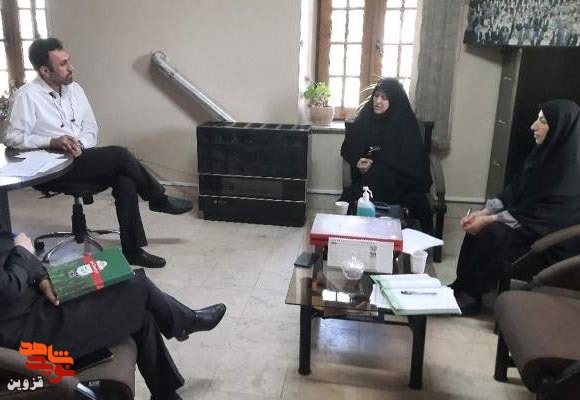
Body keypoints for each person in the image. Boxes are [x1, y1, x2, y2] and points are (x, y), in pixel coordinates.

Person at [3, 38, 193, 269]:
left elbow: (91, 127)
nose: (71, 67)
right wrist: (51, 141)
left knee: (125, 179)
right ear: (45, 71)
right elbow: (12, 138)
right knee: (120, 155)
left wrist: (79, 144)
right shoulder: (26, 96)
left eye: (68, 61)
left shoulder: (75, 89)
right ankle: (157, 198)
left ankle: (132, 251)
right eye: (63, 64)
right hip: (52, 169)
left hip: (81, 158)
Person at [0, 229, 226, 400]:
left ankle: (165, 392)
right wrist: (22, 251)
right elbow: (6, 289)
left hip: (31, 307)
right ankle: (185, 323)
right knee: (137, 288)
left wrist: (39, 275)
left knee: (140, 310)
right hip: (24, 335)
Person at [451, 99, 580, 315]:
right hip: (528, 224)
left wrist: (491, 219)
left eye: (542, 121)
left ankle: (472, 295)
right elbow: (515, 190)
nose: (533, 126)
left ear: (560, 128)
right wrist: (485, 211)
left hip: (550, 240)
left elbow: (543, 216)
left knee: (491, 233)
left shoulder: (571, 172)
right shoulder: (544, 155)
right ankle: (463, 285)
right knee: (481, 226)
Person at [340, 78, 433, 234]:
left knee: (416, 199)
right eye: (376, 96)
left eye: (384, 98)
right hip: (370, 181)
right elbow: (350, 147)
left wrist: (376, 163)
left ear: (393, 101)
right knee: (350, 197)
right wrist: (359, 161)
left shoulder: (405, 123)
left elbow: (412, 160)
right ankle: (340, 237)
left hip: (400, 181)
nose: (378, 101)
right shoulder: (367, 117)